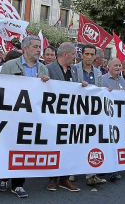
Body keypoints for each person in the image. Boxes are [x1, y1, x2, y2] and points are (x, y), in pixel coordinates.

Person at [0, 35, 50, 198]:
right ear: (25, 48)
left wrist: (46, 82)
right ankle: (4, 175)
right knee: (8, 146)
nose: (38, 50)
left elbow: (47, 93)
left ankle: (18, 184)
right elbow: (0, 88)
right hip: (12, 114)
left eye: (39, 47)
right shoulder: (9, 66)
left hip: (32, 116)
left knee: (23, 148)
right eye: (35, 47)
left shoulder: (43, 68)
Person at [45, 42, 80, 192]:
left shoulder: (74, 70)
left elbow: (77, 87)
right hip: (54, 114)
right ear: (65, 54)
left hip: (70, 115)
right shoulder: (48, 68)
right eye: (73, 54)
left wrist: (82, 86)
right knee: (54, 146)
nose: (75, 57)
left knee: (68, 147)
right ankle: (52, 179)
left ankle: (64, 179)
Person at [72, 44, 105, 185]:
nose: (90, 57)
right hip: (76, 111)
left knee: (91, 141)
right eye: (87, 54)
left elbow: (99, 91)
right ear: (82, 55)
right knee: (75, 141)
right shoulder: (74, 70)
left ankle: (91, 174)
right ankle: (71, 171)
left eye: (92, 54)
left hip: (92, 113)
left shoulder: (98, 73)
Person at [101, 58, 125, 181]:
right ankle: (103, 169)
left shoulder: (122, 80)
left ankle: (113, 170)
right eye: (115, 65)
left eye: (119, 65)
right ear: (109, 67)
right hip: (105, 117)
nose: (118, 67)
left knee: (115, 143)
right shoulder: (102, 79)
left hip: (118, 118)